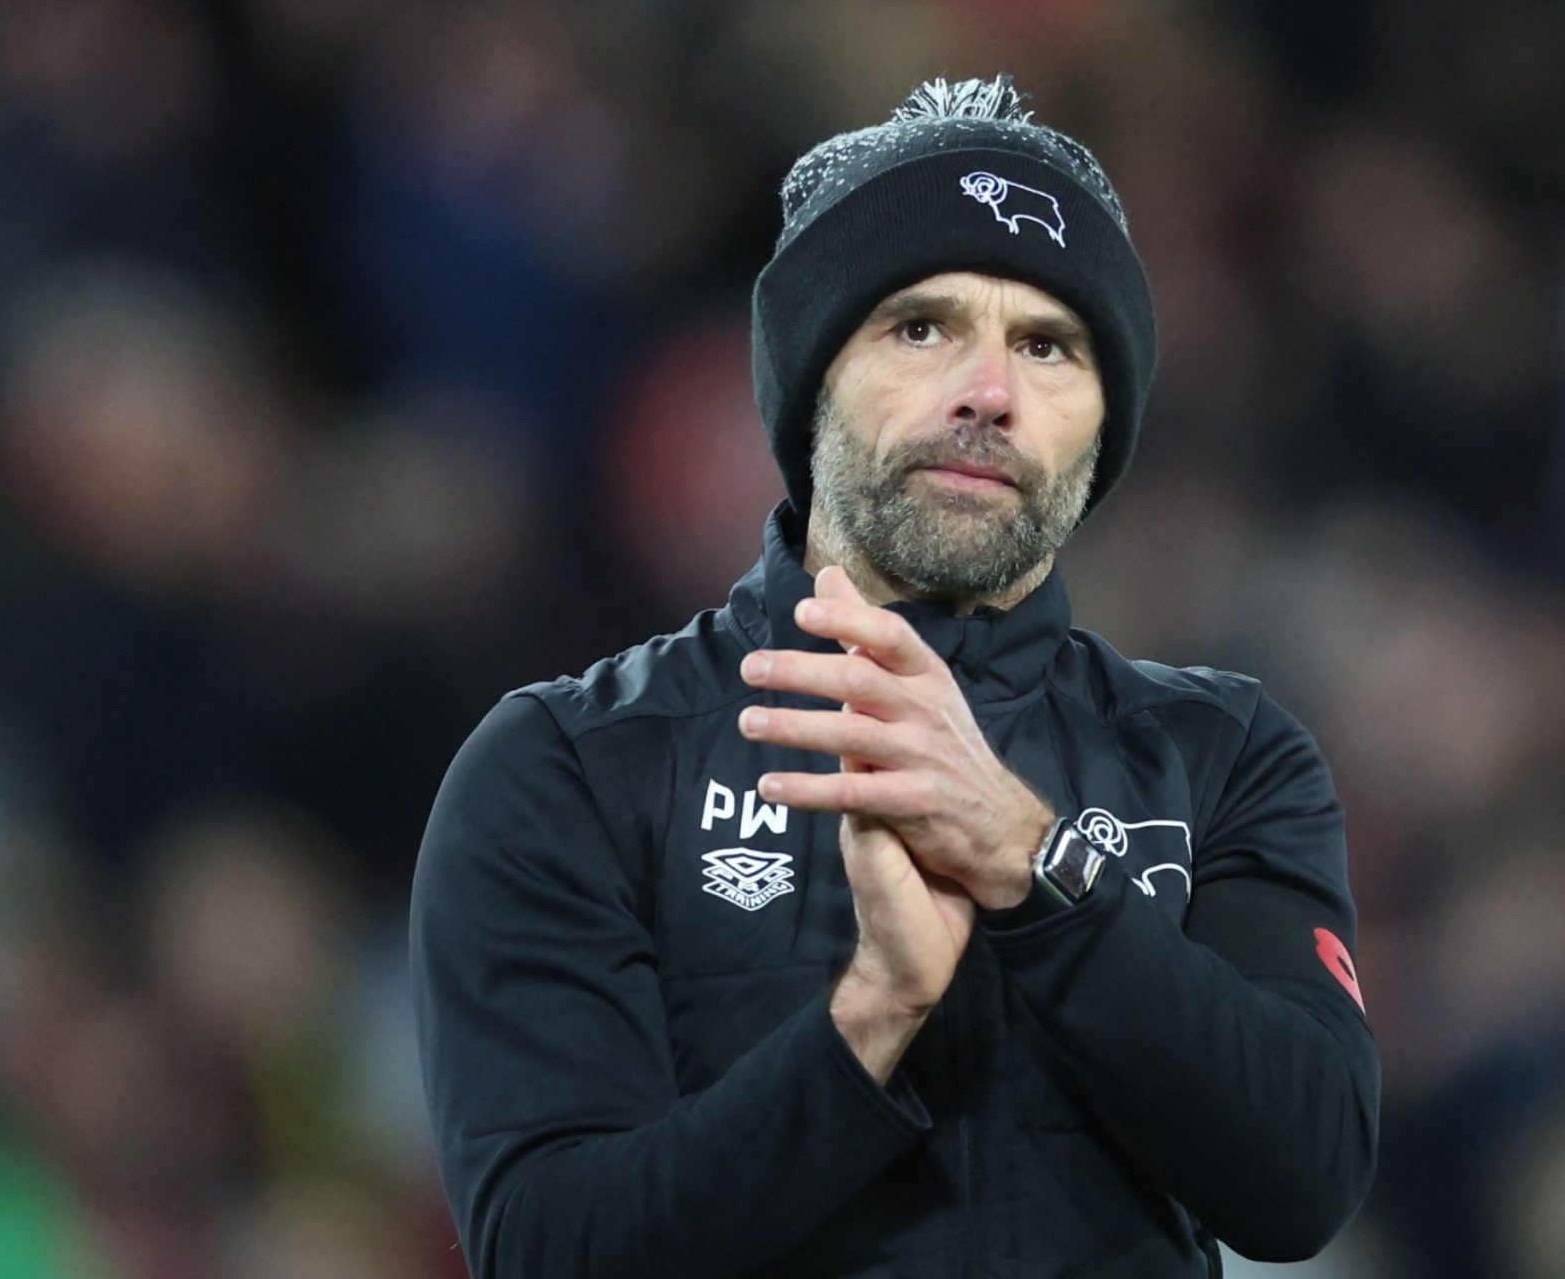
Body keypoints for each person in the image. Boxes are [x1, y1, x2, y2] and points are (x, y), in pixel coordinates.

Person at [410, 75, 1378, 1278]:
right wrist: (870, 1015)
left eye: (1048, 345)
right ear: (812, 374)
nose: (989, 393)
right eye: (921, 327)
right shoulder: (575, 763)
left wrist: (1036, 871)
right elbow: (549, 1248)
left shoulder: (1222, 753)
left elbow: (1302, 1179)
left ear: (1102, 428)